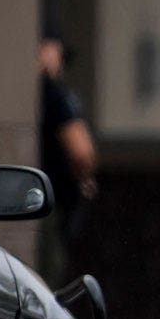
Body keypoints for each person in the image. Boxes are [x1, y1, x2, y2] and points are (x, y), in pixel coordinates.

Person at [36, 30, 97, 284]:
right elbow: (81, 151)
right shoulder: (52, 93)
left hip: (53, 201)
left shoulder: (52, 94)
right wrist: (83, 176)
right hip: (50, 202)